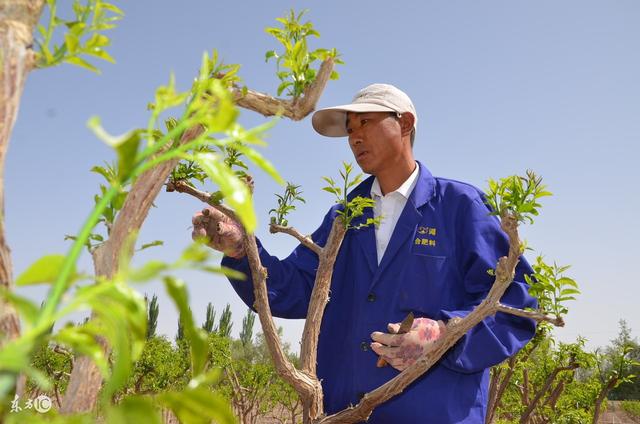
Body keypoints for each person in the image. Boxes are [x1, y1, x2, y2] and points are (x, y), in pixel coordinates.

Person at [192, 83, 537, 423]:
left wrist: (442, 336)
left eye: (365, 123)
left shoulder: (461, 207)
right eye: (350, 129)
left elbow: (516, 305)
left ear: (404, 123)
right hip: (345, 415)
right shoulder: (344, 219)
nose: (355, 137)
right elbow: (294, 290)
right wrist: (241, 248)